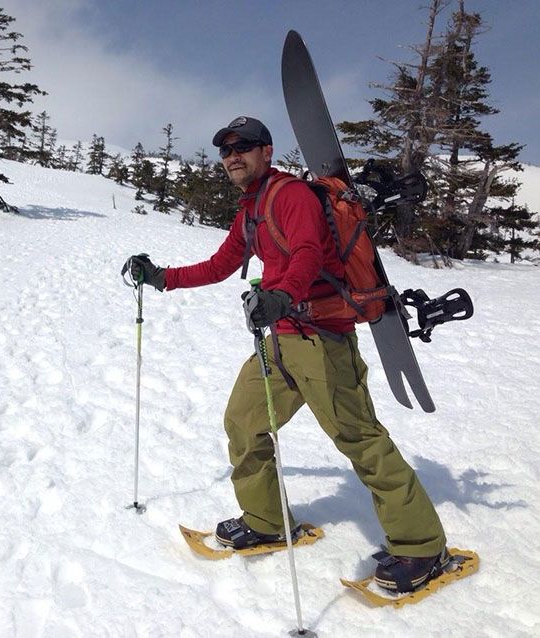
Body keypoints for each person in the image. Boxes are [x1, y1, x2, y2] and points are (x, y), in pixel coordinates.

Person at [125, 116, 448, 593]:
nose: (233, 156)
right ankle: (267, 519)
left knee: (360, 440)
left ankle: (422, 546)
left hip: (321, 341)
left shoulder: (291, 196)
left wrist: (284, 295)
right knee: (243, 422)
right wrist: (161, 277)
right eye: (225, 150)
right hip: (277, 340)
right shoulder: (251, 209)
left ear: (267, 151)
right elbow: (220, 265)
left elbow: (307, 254)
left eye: (244, 147)